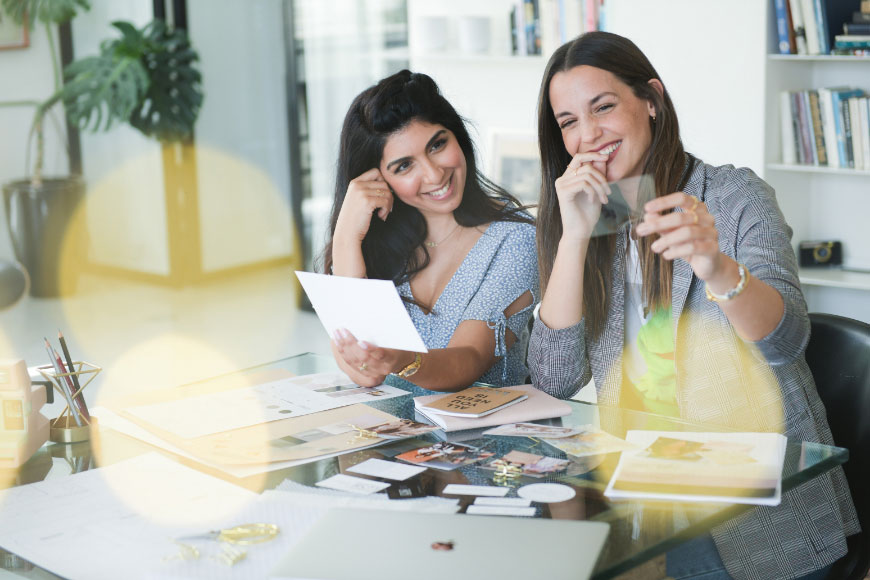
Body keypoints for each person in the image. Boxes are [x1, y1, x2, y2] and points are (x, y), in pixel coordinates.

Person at [528, 32, 858, 580]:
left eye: (603, 107)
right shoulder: (592, 220)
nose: (587, 135)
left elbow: (784, 341)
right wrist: (573, 237)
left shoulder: (733, 197)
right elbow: (555, 377)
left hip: (759, 515)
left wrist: (715, 264)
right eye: (568, 122)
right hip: (644, 506)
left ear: (651, 100)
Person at [323, 70, 538, 392]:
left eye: (437, 145)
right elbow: (363, 370)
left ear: (458, 137)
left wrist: (400, 360)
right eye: (404, 166)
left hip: (487, 436)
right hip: (398, 432)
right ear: (377, 179)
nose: (435, 174)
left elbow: (470, 358)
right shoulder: (378, 244)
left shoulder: (516, 239)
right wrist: (345, 239)